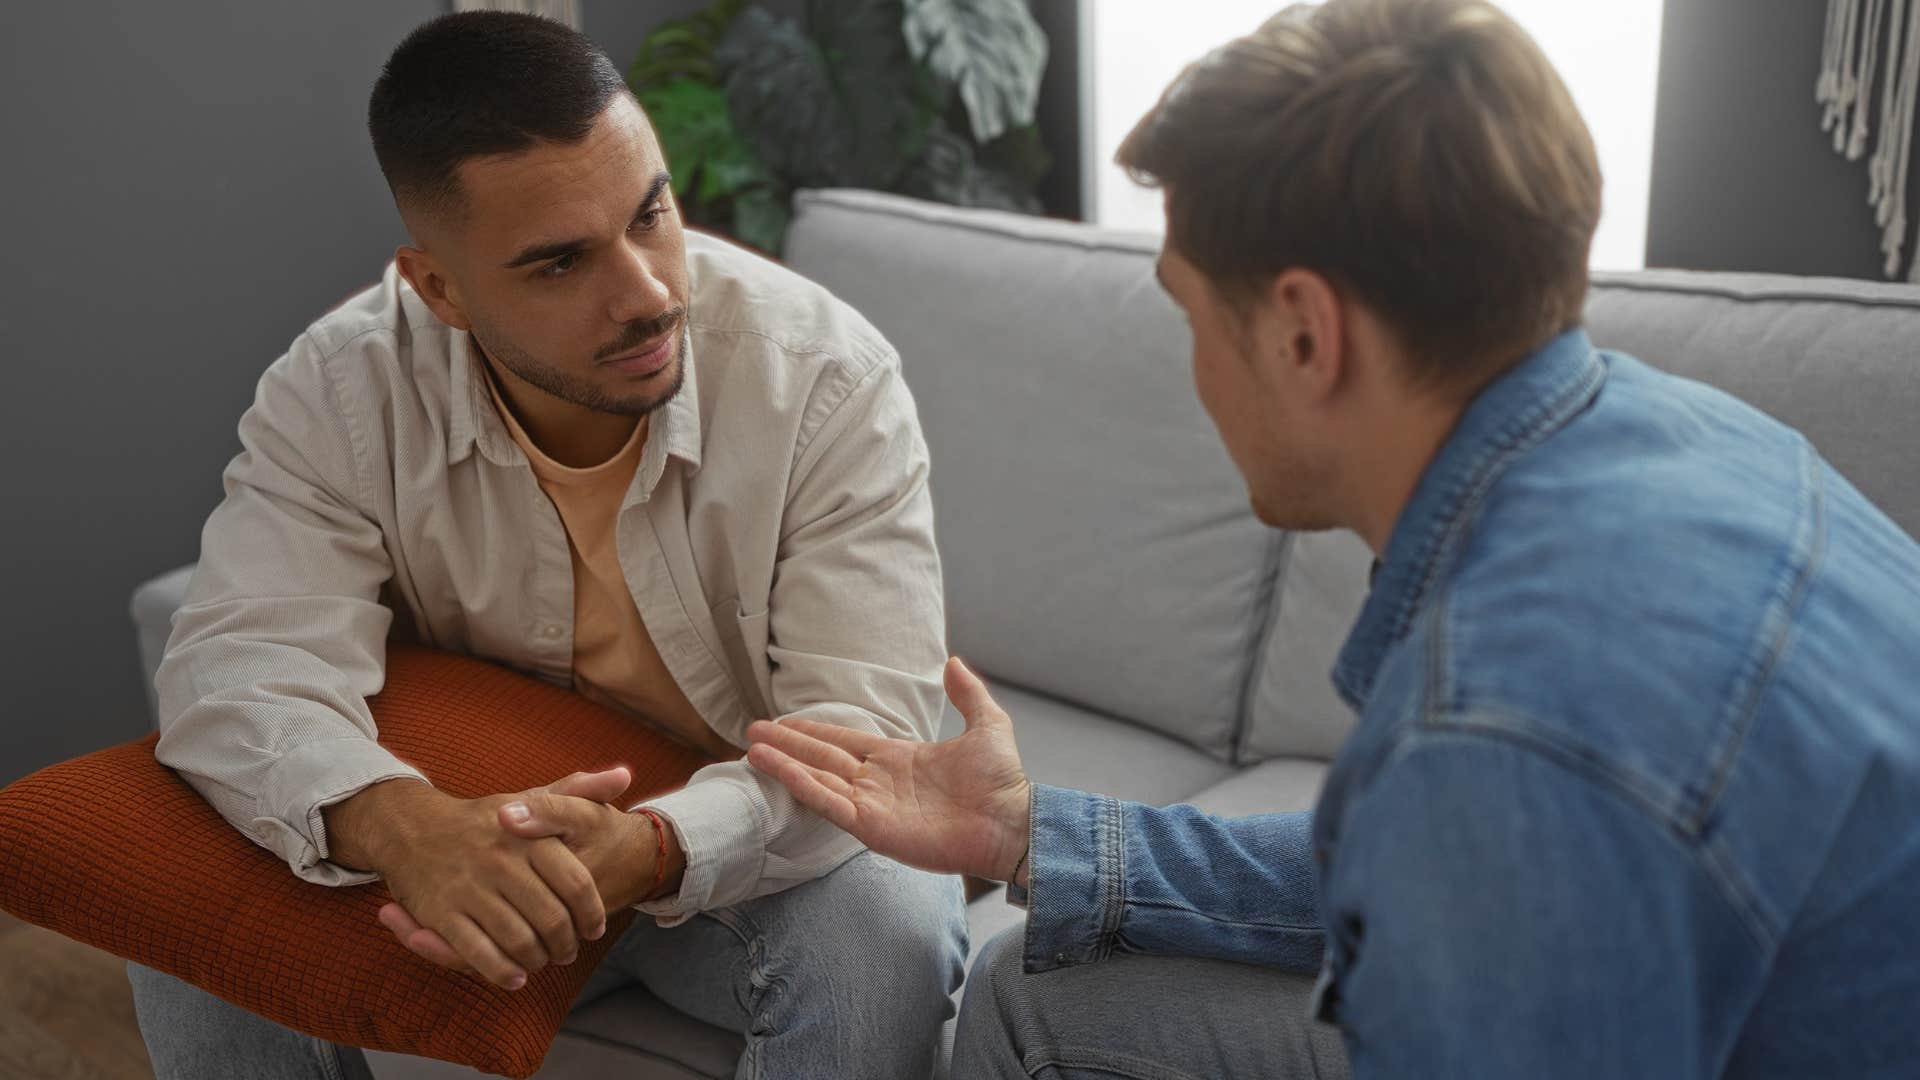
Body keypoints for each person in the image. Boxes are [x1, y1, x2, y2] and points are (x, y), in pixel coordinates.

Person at [743, 0, 1920, 1077]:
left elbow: (1488, 820)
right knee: (1035, 999)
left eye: (1190, 313)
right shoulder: (1697, 435)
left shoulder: (1500, 728)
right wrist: (1024, 833)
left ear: (1304, 332)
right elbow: (1434, 873)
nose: (1196, 368)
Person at [128, 11, 964, 1079]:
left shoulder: (823, 381)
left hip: (740, 865)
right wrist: (405, 829)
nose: (649, 291)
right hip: (472, 859)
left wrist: (651, 850)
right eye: (562, 263)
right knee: (185, 900)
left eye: (650, 213)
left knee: (883, 930)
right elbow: (236, 664)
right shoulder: (341, 390)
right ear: (439, 289)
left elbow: (863, 736)